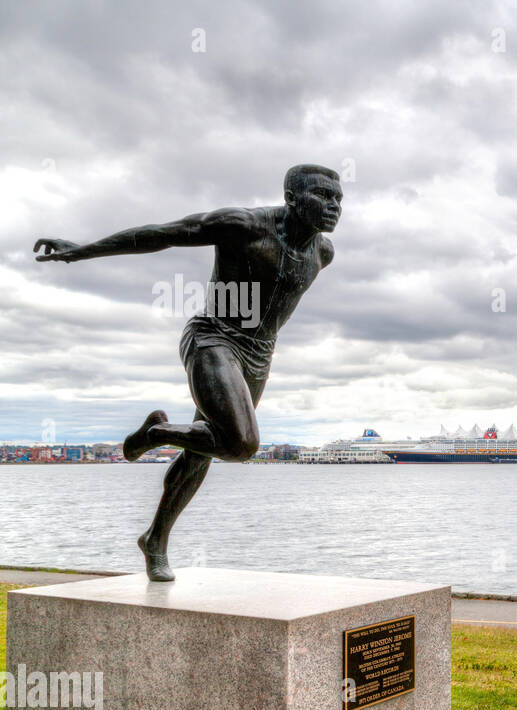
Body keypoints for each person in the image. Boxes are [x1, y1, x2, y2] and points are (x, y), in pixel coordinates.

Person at [33, 164, 342, 581]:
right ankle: (154, 436)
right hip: (213, 339)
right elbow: (165, 234)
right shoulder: (244, 226)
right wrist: (82, 249)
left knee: (201, 453)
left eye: (339, 198)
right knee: (241, 443)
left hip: (259, 357)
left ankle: (155, 539)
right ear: (291, 197)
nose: (333, 206)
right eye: (323, 196)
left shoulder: (323, 254)